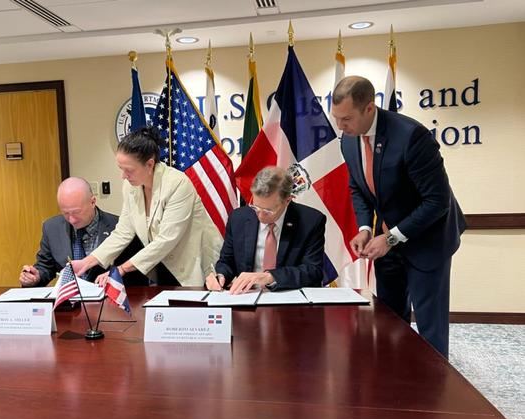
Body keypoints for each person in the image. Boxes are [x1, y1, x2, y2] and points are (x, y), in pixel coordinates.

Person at [331, 76, 466, 357]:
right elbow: (358, 186)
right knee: (390, 317)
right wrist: (365, 227)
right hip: (385, 239)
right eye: (337, 119)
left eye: (346, 118)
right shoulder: (348, 139)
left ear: (369, 109)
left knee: (430, 327)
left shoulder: (411, 137)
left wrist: (391, 238)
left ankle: (433, 387)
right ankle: (397, 380)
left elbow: (437, 201)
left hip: (428, 239)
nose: (340, 126)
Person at [71, 126, 222, 286]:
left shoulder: (177, 183)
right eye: (121, 169)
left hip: (195, 265)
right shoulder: (131, 187)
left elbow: (166, 239)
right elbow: (123, 232)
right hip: (162, 265)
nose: (123, 176)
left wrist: (121, 269)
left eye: (129, 170)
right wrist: (87, 262)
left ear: (150, 164)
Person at [206, 166, 325, 294]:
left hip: (289, 300)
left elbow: (313, 271)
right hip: (247, 298)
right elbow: (227, 260)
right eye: (256, 207)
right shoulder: (238, 218)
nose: (261, 216)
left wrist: (270, 277)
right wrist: (221, 276)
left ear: (287, 201)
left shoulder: (310, 221)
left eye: (268, 211)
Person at [19, 177, 146, 287]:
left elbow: (136, 274)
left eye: (76, 212)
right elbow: (46, 266)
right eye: (66, 213)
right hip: (71, 306)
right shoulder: (52, 227)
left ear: (93, 202)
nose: (72, 219)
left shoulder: (119, 227)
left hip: (110, 304)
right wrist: (35, 277)